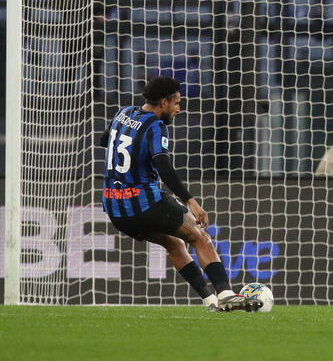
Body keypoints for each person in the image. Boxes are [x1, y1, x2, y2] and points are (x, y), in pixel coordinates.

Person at [101, 76, 260, 312]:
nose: (179, 109)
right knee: (201, 238)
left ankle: (210, 301)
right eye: (176, 103)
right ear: (163, 102)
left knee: (175, 244)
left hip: (115, 209)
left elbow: (105, 140)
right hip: (145, 203)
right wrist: (191, 202)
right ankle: (226, 294)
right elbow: (163, 166)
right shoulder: (156, 125)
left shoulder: (123, 113)